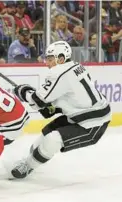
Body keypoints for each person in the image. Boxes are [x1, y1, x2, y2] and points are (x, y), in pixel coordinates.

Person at [11, 41, 111, 179]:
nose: (47, 63)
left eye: (50, 59)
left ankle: (28, 165)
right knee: (46, 134)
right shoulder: (76, 66)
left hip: (93, 123)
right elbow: (72, 96)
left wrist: (23, 91)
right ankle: (31, 160)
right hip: (84, 113)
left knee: (53, 140)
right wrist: (53, 107)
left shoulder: (59, 72)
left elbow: (38, 100)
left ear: (61, 59)